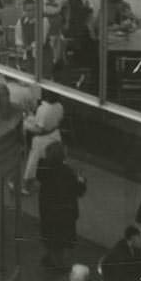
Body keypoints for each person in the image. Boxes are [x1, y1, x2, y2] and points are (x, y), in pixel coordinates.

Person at [36, 141, 86, 269]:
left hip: (47, 209)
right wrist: (81, 181)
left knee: (50, 235)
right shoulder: (67, 173)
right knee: (61, 239)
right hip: (63, 213)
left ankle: (50, 257)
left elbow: (39, 175)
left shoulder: (43, 166)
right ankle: (59, 264)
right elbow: (78, 191)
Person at [22, 91, 65, 191]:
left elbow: (39, 129)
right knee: (58, 160)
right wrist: (31, 117)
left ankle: (26, 186)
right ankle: (59, 180)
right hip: (55, 135)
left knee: (32, 162)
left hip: (42, 140)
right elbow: (58, 120)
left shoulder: (43, 109)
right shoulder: (60, 106)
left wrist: (26, 124)